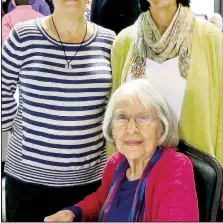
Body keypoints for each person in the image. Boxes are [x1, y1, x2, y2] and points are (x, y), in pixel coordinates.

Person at [2, 0, 115, 222]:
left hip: (89, 185)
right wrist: (29, 137)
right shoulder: (23, 36)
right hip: (27, 182)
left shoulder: (110, 42)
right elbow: (2, 93)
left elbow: (114, 107)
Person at [110, 0, 223, 165]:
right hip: (137, 171)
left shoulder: (211, 39)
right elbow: (116, 116)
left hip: (193, 173)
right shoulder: (124, 42)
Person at [44, 79, 199, 222]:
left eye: (143, 118)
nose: (131, 128)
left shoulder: (174, 167)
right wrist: (73, 212)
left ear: (162, 129)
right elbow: (101, 199)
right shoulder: (117, 162)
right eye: (122, 117)